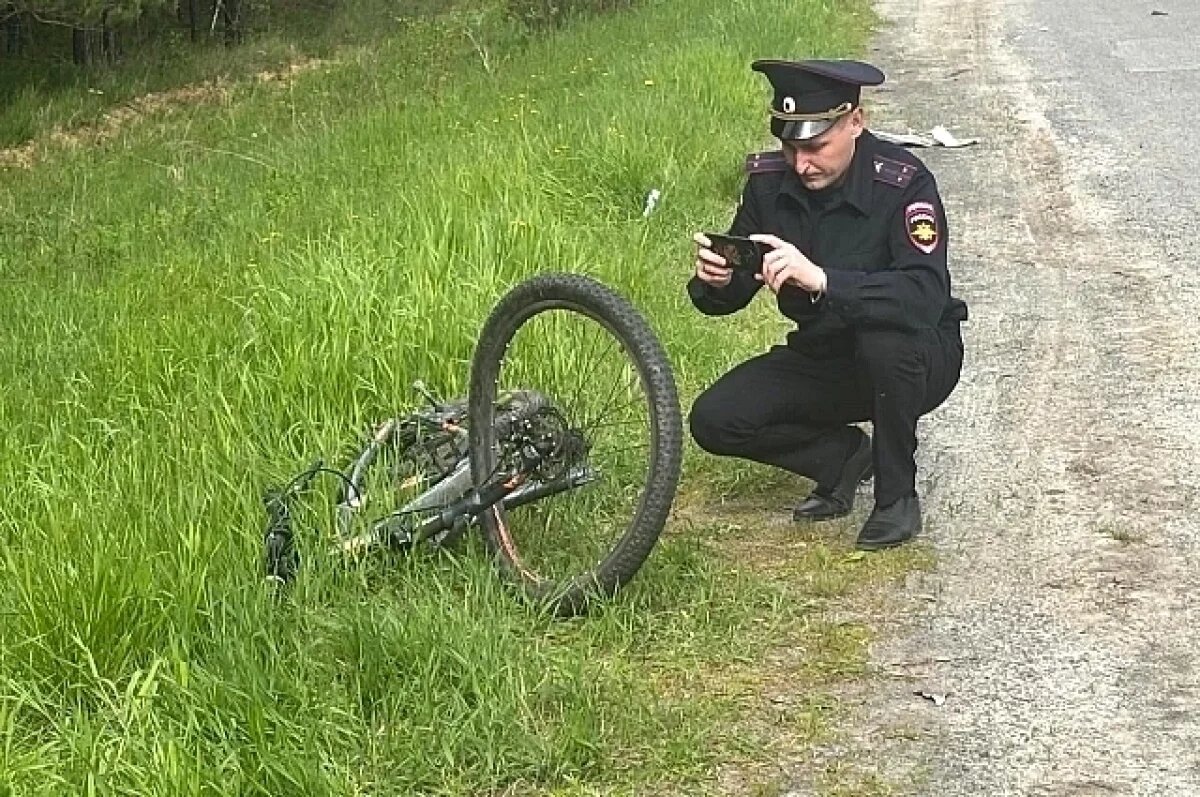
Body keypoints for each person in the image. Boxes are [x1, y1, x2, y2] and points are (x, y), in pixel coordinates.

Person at [687, 58, 968, 550]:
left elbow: (924, 296)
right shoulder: (769, 185)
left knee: (884, 342)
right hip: (825, 353)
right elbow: (735, 290)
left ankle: (897, 497)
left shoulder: (902, 184)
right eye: (790, 148)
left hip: (917, 355)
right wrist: (717, 280)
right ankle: (842, 459)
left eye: (816, 147)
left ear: (855, 122)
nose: (801, 164)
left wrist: (824, 280)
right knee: (716, 419)